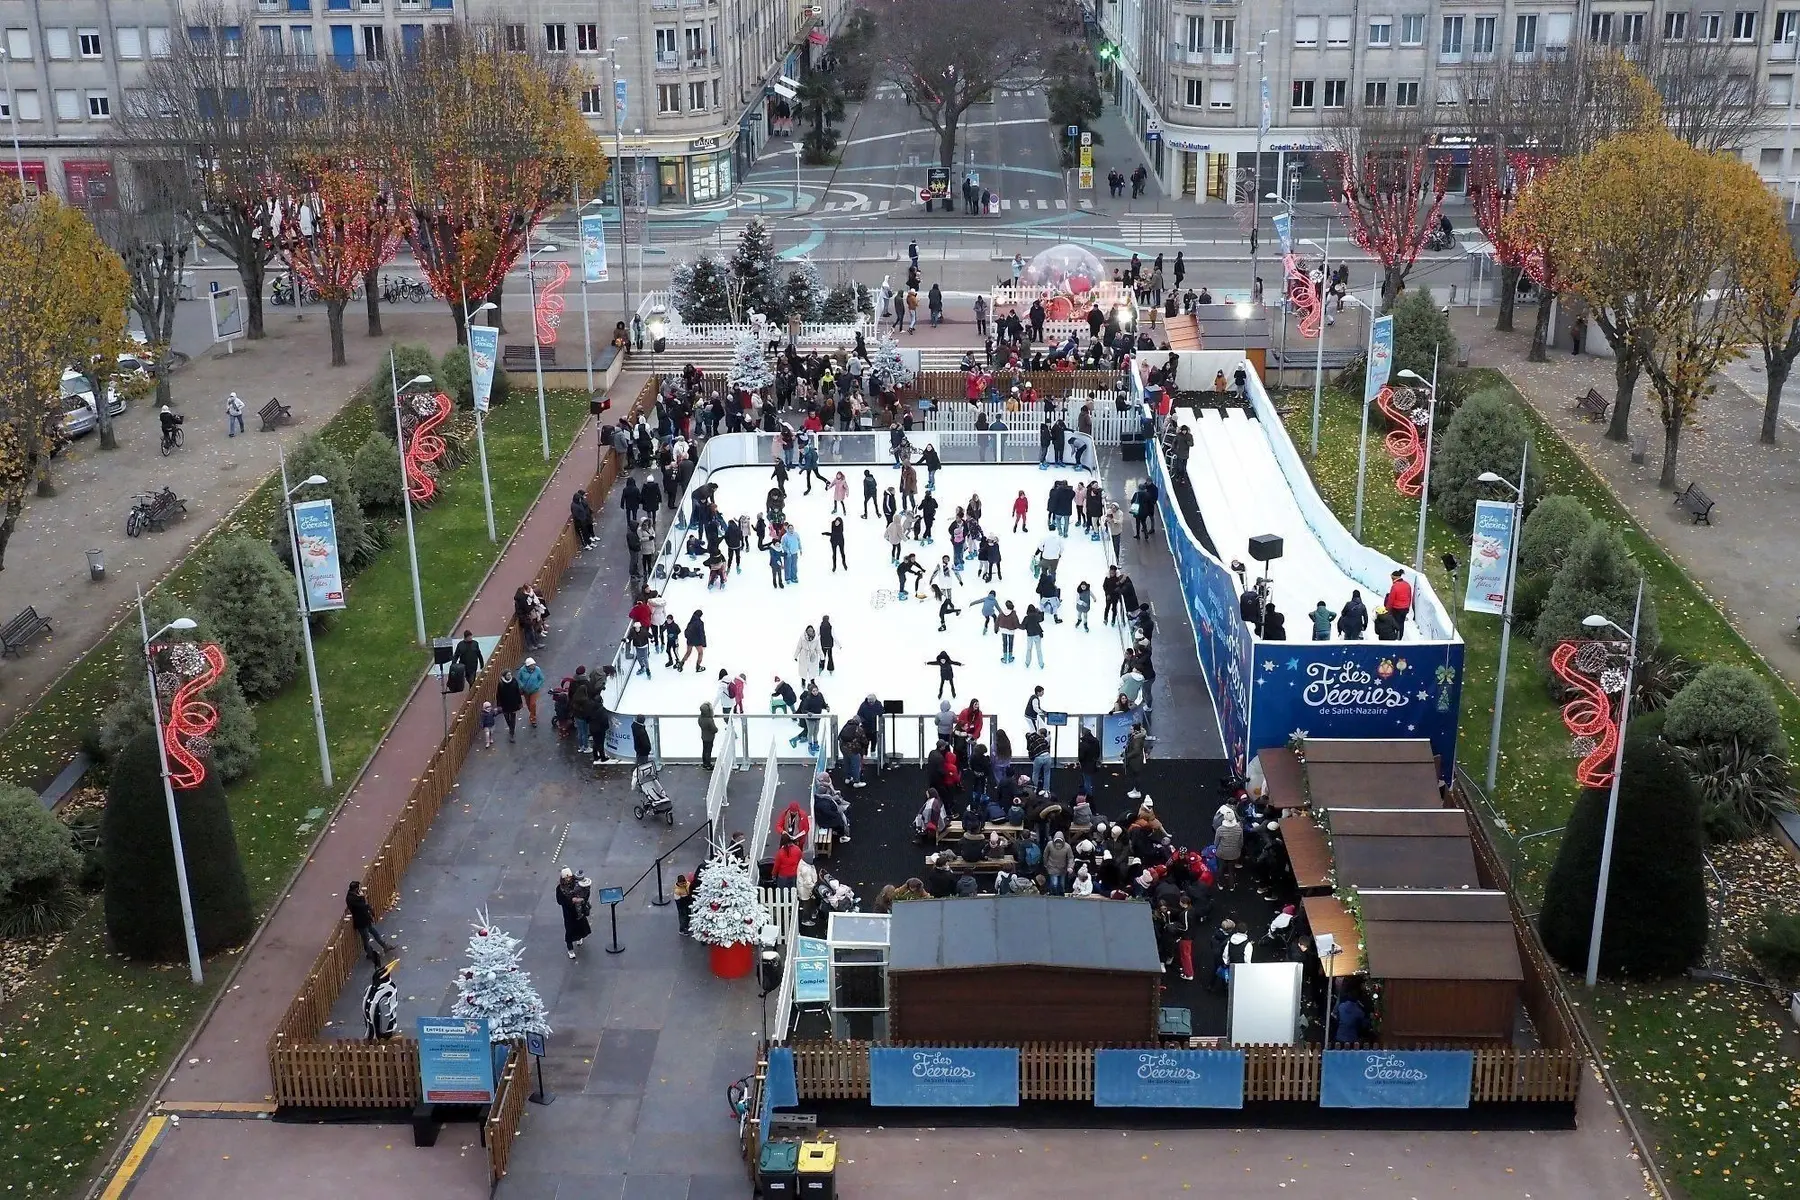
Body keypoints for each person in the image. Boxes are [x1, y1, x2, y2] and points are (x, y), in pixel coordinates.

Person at [346, 880, 393, 967]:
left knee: (375, 933)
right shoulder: (351, 898)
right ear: (356, 888)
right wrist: (362, 897)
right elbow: (361, 906)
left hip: (365, 919)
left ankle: (385, 946)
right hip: (360, 921)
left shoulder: (356, 895)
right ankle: (370, 953)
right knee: (366, 939)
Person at [556, 867, 593, 959]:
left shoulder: (577, 884)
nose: (568, 879)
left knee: (581, 925)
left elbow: (585, 892)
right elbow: (560, 901)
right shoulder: (560, 888)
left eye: (569, 877)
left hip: (578, 910)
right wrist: (572, 900)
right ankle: (570, 949)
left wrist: (582, 899)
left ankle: (579, 937)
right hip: (569, 913)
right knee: (569, 930)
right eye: (566, 878)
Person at [362, 959, 399, 1040]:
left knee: (371, 1033)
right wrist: (383, 1030)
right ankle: (381, 1037)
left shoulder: (369, 989)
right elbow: (385, 1013)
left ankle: (371, 1034)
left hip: (370, 1024)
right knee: (382, 1037)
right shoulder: (387, 990)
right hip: (382, 1027)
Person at [517, 656, 545, 728]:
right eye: (532, 665)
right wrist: (522, 685)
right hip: (526, 690)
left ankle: (533, 718)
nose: (534, 666)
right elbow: (519, 679)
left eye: (534, 664)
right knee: (528, 704)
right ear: (528, 666)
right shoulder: (522, 670)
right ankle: (532, 713)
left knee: (532, 704)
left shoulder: (537, 670)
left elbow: (541, 679)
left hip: (534, 690)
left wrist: (537, 686)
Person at [495, 669, 523, 741]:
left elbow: (518, 692)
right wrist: (499, 705)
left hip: (513, 704)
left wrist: (520, 702)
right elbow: (498, 695)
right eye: (508, 675)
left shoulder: (514, 681)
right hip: (505, 704)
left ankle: (512, 733)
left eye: (510, 674)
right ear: (504, 676)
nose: (510, 676)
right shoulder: (501, 684)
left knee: (513, 718)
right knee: (507, 718)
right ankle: (510, 727)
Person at [1385, 569, 1413, 633]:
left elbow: (1391, 600)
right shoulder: (1407, 585)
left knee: (1394, 623)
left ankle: (1395, 636)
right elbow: (1409, 597)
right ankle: (1400, 637)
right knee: (1401, 623)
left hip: (1396, 609)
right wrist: (1408, 608)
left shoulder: (1394, 586)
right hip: (1405, 608)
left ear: (1394, 578)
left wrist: (1387, 610)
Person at [1021, 603, 1046, 668]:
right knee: (1039, 650)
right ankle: (1041, 664)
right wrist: (1039, 612)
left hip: (1029, 635)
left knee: (1029, 649)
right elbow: (1042, 619)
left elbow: (1023, 627)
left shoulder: (1026, 618)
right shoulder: (1036, 616)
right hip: (1037, 635)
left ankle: (1027, 662)